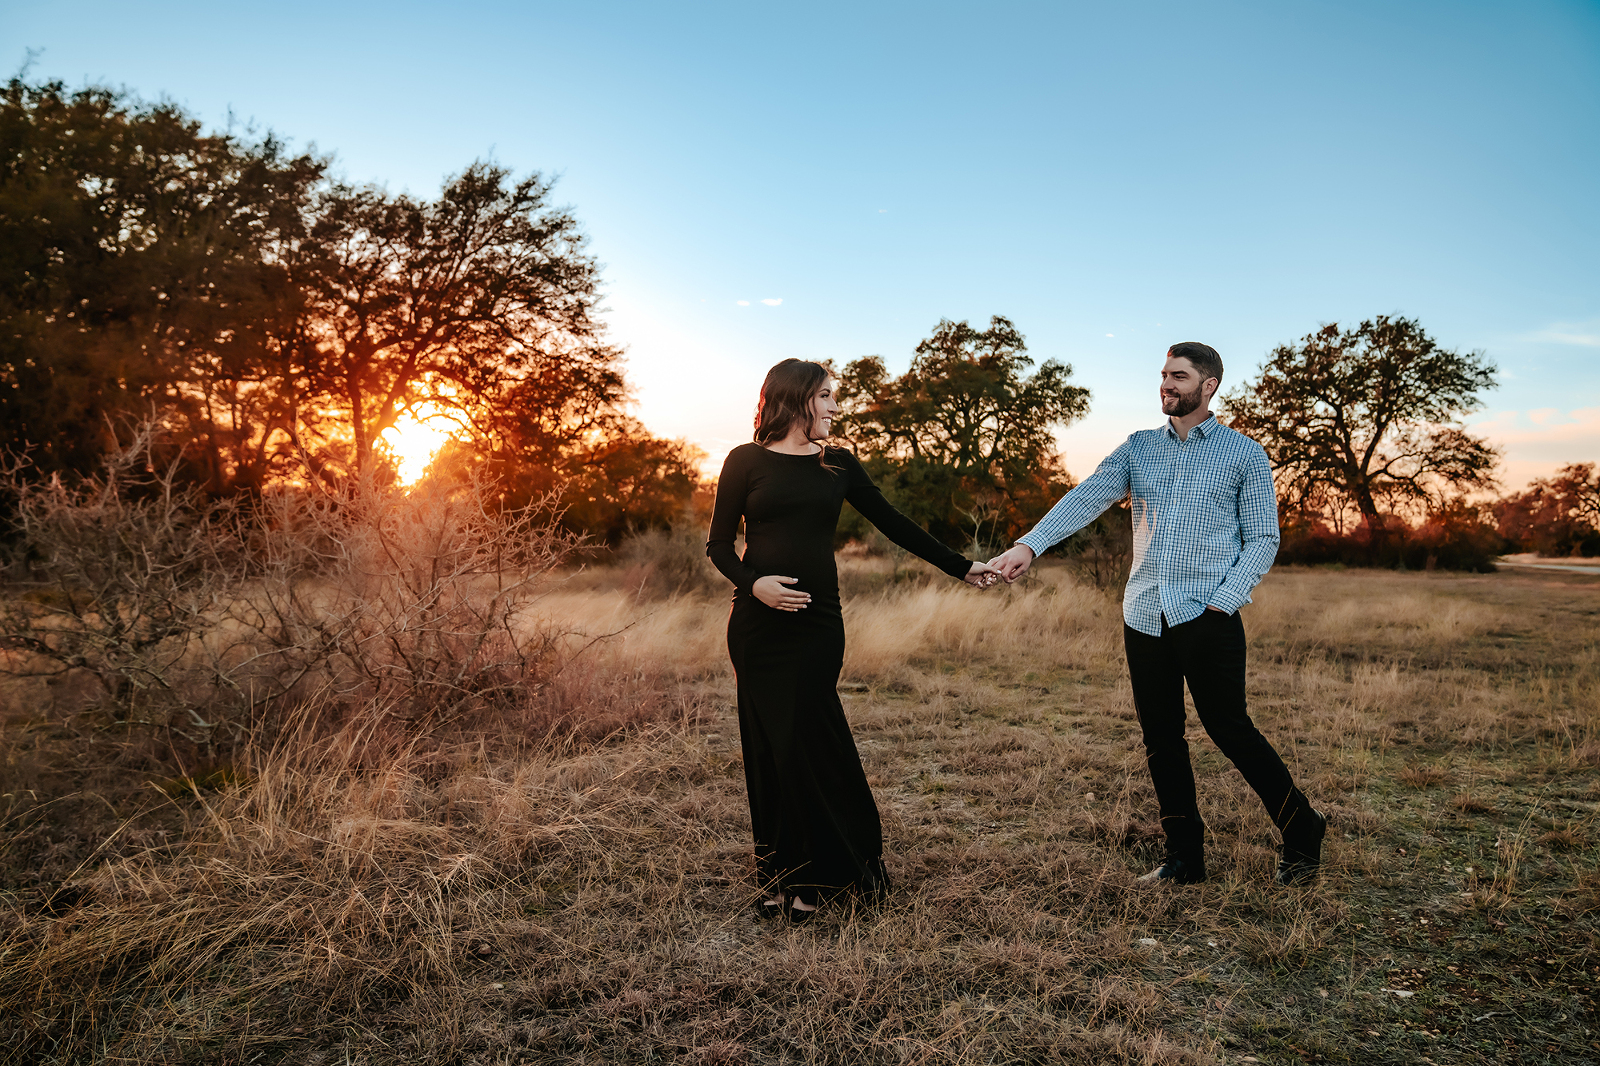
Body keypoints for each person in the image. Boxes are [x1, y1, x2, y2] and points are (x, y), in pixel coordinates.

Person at [988, 342, 1326, 887]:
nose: (1166, 384)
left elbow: (1263, 536)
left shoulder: (1244, 454)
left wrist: (1226, 597)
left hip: (1208, 615)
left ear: (1208, 385)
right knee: (1161, 736)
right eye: (1164, 375)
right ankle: (1184, 858)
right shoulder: (1139, 448)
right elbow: (1088, 496)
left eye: (1178, 376)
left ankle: (1302, 829)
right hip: (1145, 613)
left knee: (1230, 728)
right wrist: (1030, 546)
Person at [707, 358, 999, 922]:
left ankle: (825, 877)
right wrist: (755, 584)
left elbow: (895, 524)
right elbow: (719, 545)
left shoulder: (837, 464)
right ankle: (780, 878)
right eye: (827, 396)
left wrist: (963, 567)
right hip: (757, 625)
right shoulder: (744, 461)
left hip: (818, 625)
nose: (836, 407)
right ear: (794, 401)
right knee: (769, 748)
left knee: (810, 744)